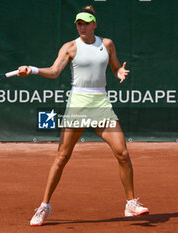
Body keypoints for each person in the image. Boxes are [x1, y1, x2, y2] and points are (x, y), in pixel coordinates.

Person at [18, 5, 149, 226]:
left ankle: (131, 203)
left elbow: (115, 67)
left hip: (101, 104)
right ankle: (44, 206)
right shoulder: (70, 47)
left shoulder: (106, 44)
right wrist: (32, 69)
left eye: (86, 23)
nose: (82, 27)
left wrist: (120, 72)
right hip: (78, 105)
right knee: (62, 157)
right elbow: (54, 71)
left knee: (123, 153)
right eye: (79, 24)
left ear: (94, 24)